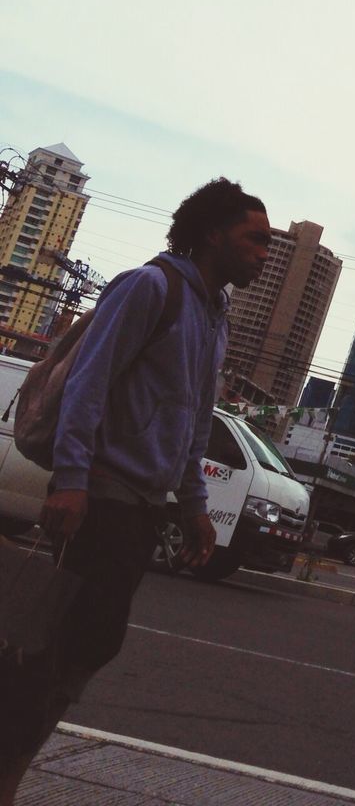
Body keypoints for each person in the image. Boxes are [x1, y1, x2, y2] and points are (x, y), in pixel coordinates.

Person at [0, 179, 270, 804]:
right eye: (254, 239)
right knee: (43, 654)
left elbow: (197, 417)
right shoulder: (151, 288)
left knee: (80, 653)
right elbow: (87, 386)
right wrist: (70, 480)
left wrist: (195, 506)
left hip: (142, 512)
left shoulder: (214, 313)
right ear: (212, 233)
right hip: (101, 498)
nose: (263, 253)